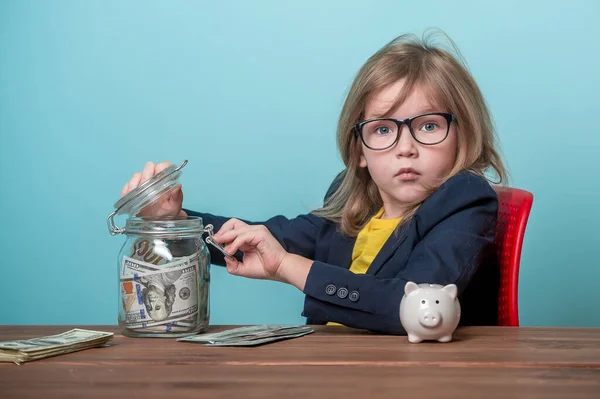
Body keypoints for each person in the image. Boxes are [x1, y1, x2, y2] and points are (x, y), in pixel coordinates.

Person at [119, 31, 507, 334]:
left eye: (428, 125)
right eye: (383, 129)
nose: (406, 147)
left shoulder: (465, 200)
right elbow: (263, 238)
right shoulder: (351, 202)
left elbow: (413, 307)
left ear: (463, 134)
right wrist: (174, 219)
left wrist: (288, 266)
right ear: (359, 151)